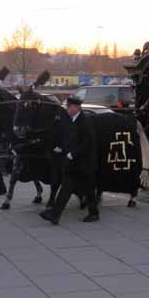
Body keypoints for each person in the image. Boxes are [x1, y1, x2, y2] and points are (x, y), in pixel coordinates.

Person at [40, 95, 98, 224]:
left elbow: (87, 142)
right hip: (72, 163)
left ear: (77, 107)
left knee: (89, 189)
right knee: (66, 188)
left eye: (69, 107)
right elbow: (67, 138)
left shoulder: (85, 120)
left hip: (84, 163)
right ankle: (54, 215)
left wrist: (73, 154)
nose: (67, 109)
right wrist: (61, 148)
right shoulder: (69, 120)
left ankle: (94, 213)